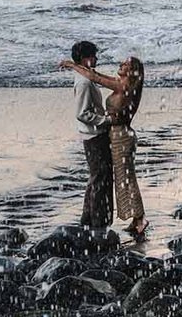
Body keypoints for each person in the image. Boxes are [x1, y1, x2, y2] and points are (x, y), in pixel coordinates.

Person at [60, 53, 147, 241]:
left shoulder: (123, 86)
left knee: (126, 177)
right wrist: (79, 66)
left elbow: (96, 78)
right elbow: (96, 74)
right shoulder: (123, 83)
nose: (121, 64)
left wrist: (72, 65)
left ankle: (140, 218)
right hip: (117, 135)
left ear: (131, 71)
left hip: (121, 137)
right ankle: (135, 218)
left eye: (125, 64)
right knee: (123, 177)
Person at [63, 40, 112, 236]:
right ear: (85, 59)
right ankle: (97, 221)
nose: (96, 59)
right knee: (100, 178)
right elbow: (82, 113)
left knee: (96, 178)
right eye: (93, 56)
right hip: (94, 135)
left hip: (92, 134)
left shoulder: (85, 77)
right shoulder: (83, 82)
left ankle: (89, 219)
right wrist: (105, 120)